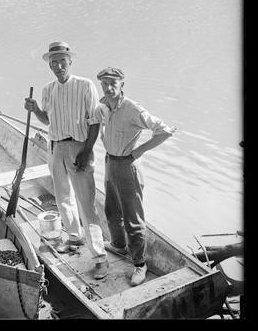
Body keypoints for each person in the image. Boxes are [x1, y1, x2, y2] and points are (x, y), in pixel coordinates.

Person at [24, 41, 109, 280]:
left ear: (70, 61)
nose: (59, 65)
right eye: (54, 62)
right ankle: (74, 236)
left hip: (78, 146)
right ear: (50, 65)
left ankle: (100, 257)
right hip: (55, 147)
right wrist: (35, 110)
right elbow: (48, 120)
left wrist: (86, 151)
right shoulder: (48, 89)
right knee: (62, 197)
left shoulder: (85, 85)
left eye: (63, 61)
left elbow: (94, 121)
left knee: (86, 202)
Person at [95, 67, 176, 286]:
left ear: (122, 85)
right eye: (105, 83)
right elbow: (93, 121)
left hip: (127, 167)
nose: (109, 87)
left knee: (133, 218)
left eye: (114, 83)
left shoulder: (132, 109)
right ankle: (119, 245)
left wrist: (140, 150)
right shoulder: (104, 106)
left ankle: (140, 264)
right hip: (110, 163)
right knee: (111, 211)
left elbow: (165, 131)